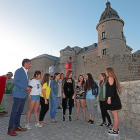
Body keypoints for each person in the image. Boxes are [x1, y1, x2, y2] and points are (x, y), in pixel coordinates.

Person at [7, 59, 31, 136]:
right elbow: (15, 82)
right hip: (18, 94)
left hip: (23, 94)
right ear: (25, 64)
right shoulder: (18, 71)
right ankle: (10, 129)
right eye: (29, 64)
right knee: (14, 111)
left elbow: (23, 82)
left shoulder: (26, 72)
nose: (30, 65)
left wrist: (28, 87)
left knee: (19, 111)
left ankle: (17, 126)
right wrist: (25, 87)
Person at [105, 68, 122, 136]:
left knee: (115, 116)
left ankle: (115, 131)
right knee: (114, 115)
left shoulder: (110, 78)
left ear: (109, 72)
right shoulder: (112, 78)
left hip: (113, 99)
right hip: (114, 98)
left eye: (106, 72)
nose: (106, 73)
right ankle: (115, 128)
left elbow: (111, 89)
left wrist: (109, 98)